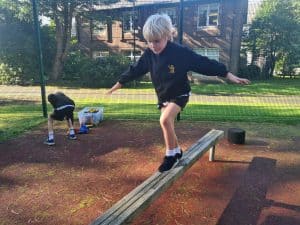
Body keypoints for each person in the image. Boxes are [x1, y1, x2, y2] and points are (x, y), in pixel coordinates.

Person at [106, 14, 250, 172]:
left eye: (157, 41)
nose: (153, 46)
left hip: (180, 94)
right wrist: (120, 83)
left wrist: (227, 74)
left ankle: (170, 156)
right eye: (149, 41)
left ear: (167, 36)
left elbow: (203, 63)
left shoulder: (180, 52)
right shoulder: (149, 54)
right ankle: (176, 151)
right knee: (168, 124)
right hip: (163, 95)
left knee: (165, 120)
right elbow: (136, 69)